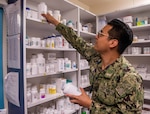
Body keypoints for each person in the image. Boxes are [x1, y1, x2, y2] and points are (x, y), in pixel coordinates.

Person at [42, 13, 144, 114]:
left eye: (101, 34)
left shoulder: (129, 77)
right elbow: (77, 41)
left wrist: (90, 104)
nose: (96, 36)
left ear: (113, 43)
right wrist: (55, 22)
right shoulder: (96, 58)